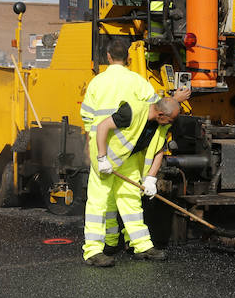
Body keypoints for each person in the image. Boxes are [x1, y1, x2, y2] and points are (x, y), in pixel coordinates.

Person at [79, 39, 189, 267]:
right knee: (100, 201)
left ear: (108, 56)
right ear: (128, 59)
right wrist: (101, 157)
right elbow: (152, 106)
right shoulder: (138, 85)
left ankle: (140, 245)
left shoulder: (96, 82)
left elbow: (89, 118)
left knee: (126, 198)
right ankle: (92, 251)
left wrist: (150, 178)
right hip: (107, 152)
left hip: (122, 152)